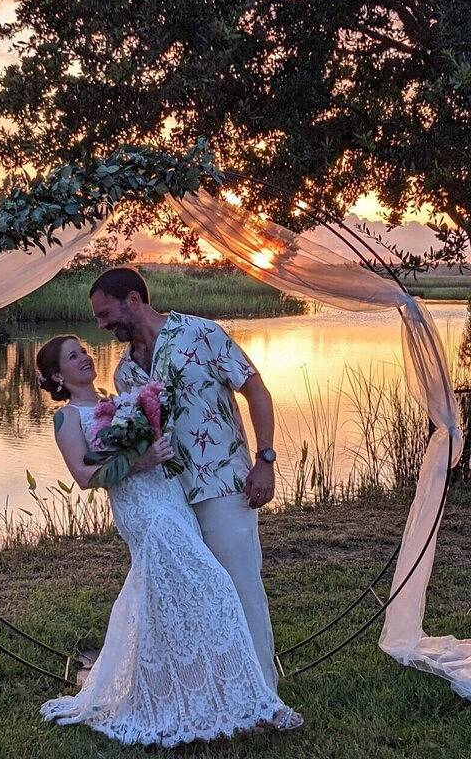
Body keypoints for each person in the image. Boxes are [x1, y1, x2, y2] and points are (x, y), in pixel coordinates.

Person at [36, 334, 302, 746]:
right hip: (141, 508)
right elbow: (86, 477)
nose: (85, 358)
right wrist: (140, 460)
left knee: (167, 597)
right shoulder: (68, 418)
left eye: (84, 351)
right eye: (73, 357)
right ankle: (212, 695)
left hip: (169, 497)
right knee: (212, 588)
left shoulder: (115, 398)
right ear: (57, 375)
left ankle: (196, 689)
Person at [89, 267, 279, 692]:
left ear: (134, 300)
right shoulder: (124, 374)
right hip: (167, 498)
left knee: (240, 586)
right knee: (192, 597)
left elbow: (257, 391)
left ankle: (263, 695)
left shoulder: (201, 333)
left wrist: (264, 459)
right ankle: (216, 693)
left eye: (105, 314)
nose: (102, 325)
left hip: (223, 484)